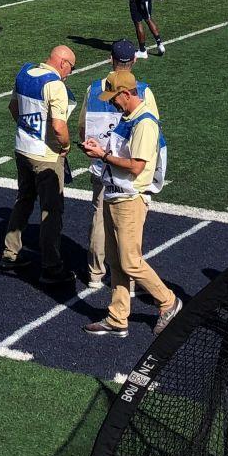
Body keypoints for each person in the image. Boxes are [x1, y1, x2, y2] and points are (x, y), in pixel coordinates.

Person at [81, 70, 179, 338]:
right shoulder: (128, 118)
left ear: (126, 93)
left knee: (130, 261)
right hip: (115, 194)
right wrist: (100, 151)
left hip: (129, 198)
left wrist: (103, 156)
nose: (111, 102)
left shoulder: (145, 123)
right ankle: (117, 316)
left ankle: (169, 302)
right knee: (116, 260)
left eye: (114, 97)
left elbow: (137, 166)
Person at [0, 45, 77, 284]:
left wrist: (28, 131)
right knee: (51, 211)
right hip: (45, 156)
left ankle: (9, 253)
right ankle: (52, 266)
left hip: (22, 148)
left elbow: (13, 108)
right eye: (71, 68)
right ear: (63, 63)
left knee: (23, 199)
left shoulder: (24, 73)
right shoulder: (55, 86)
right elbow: (58, 127)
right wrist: (65, 146)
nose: (69, 73)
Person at [83, 41, 155, 285]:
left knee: (99, 217)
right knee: (130, 229)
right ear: (133, 61)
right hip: (127, 172)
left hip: (100, 165)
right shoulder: (142, 91)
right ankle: (130, 280)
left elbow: (83, 127)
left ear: (110, 59)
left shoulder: (93, 89)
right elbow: (153, 131)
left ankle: (95, 272)